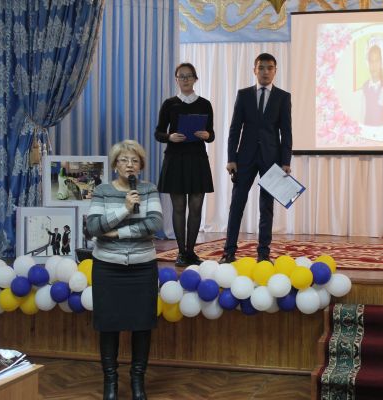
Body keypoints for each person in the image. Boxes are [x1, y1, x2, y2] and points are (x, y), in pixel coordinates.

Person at [86, 139, 163, 400]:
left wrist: (118, 233)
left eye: (134, 160)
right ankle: (110, 383)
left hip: (142, 267)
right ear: (115, 164)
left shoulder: (149, 190)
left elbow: (154, 224)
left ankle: (138, 382)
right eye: (124, 160)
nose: (129, 165)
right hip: (108, 267)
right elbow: (93, 227)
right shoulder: (102, 191)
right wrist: (124, 209)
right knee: (109, 325)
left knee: (142, 325)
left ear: (141, 165)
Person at [219, 53, 292, 264]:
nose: (265, 72)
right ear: (254, 70)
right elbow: (235, 128)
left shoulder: (283, 97)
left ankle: (263, 253)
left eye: (270, 68)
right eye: (261, 68)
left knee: (266, 207)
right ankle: (229, 251)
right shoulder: (244, 95)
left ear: (275, 71)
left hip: (272, 159)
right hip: (244, 158)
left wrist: (286, 162)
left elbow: (286, 132)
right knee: (237, 204)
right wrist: (231, 158)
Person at [155, 62, 214, 267]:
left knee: (196, 207)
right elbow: (158, 133)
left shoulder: (205, 104)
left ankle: (191, 252)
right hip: (176, 159)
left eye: (189, 76)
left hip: (197, 159)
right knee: (179, 208)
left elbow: (211, 134)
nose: (186, 79)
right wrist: (170, 137)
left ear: (195, 79)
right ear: (176, 79)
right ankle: (181, 252)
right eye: (182, 76)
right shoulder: (169, 104)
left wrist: (207, 135)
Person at [361, 44, 383, 126]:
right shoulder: (364, 87)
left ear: (381, 63)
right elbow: (362, 113)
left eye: (377, 61)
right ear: (368, 64)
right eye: (371, 61)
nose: (374, 65)